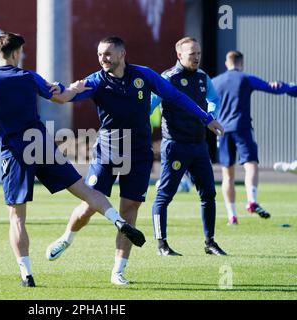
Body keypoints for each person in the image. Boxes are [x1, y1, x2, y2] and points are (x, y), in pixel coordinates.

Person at [0, 32, 146, 288]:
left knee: (17, 218)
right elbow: (59, 96)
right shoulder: (30, 77)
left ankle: (27, 275)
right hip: (41, 144)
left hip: (14, 152)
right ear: (16, 53)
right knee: (85, 191)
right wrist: (72, 88)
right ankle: (119, 222)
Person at [46, 36, 225, 285]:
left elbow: (176, 97)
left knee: (129, 211)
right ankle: (67, 237)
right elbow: (67, 96)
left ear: (122, 54)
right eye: (99, 54)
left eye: (107, 54)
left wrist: (206, 118)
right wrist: (55, 89)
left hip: (139, 154)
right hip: (107, 151)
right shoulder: (96, 81)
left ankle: (118, 271)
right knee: (90, 204)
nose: (102, 59)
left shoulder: (145, 75)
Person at [150, 37, 227, 257]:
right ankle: (162, 245)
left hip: (199, 146)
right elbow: (150, 105)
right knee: (165, 196)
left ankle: (210, 242)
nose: (196, 57)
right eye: (192, 53)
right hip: (175, 145)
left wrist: (211, 115)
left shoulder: (203, 78)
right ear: (179, 55)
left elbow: (214, 99)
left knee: (209, 194)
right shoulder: (168, 78)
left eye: (198, 53)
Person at [212, 50, 291, 225]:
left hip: (222, 131)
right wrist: (287, 87)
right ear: (241, 63)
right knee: (251, 165)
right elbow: (272, 88)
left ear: (227, 63)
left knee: (228, 175)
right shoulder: (245, 78)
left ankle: (232, 216)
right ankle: (251, 200)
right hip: (242, 128)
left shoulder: (215, 82)